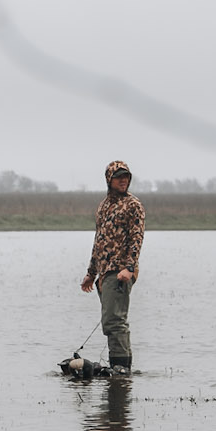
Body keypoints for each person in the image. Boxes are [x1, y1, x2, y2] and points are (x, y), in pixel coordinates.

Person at [80, 159, 143, 374]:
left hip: (121, 271)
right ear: (109, 179)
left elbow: (136, 238)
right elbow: (99, 241)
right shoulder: (103, 206)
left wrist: (130, 268)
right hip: (104, 273)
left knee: (115, 321)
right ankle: (119, 367)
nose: (123, 180)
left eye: (126, 177)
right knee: (110, 321)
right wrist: (91, 273)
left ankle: (122, 368)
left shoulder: (133, 205)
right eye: (118, 177)